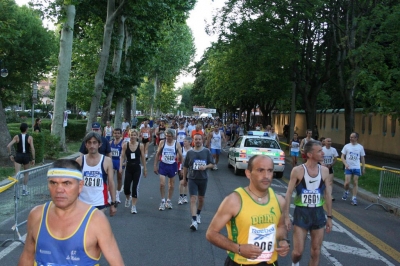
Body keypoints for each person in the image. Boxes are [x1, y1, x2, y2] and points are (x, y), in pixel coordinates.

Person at [17, 159, 124, 265]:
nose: (59, 189)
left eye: (66, 183)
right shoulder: (37, 215)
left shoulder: (96, 220)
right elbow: (27, 256)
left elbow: (117, 263)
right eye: (53, 183)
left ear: (80, 186)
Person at [206, 155, 290, 265]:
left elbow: (281, 226)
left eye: (270, 171)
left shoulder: (279, 201)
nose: (266, 176)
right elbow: (211, 233)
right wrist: (239, 248)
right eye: (260, 170)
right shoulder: (234, 201)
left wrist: (283, 240)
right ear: (248, 173)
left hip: (270, 263)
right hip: (241, 263)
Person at [284, 140, 332, 266]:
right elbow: (288, 193)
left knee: (316, 252)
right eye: (319, 151)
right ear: (310, 154)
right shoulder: (298, 170)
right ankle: (295, 263)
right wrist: (286, 217)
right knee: (297, 253)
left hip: (318, 214)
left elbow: (327, 194)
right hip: (302, 213)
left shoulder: (325, 171)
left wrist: (330, 217)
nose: (323, 153)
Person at [76, 132, 117, 216]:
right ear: (86, 145)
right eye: (89, 143)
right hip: (82, 202)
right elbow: (74, 182)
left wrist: (113, 203)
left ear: (99, 144)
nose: (92, 145)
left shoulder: (107, 161)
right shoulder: (79, 161)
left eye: (94, 142)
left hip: (100, 203)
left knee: (97, 228)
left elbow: (111, 182)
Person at [182, 133, 214, 231]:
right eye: (196, 139)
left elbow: (212, 164)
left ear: (202, 140)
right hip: (192, 178)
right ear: (193, 141)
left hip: (203, 178)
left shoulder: (206, 151)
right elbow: (185, 166)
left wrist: (205, 167)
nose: (198, 141)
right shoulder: (190, 153)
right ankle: (194, 220)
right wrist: (184, 179)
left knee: (201, 199)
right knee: (192, 199)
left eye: (199, 139)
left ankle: (198, 213)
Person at [154, 129, 183, 211]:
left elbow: (181, 157)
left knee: (171, 185)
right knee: (162, 184)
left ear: (173, 136)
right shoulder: (162, 142)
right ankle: (163, 201)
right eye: (166, 136)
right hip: (163, 164)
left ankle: (168, 200)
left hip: (172, 165)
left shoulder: (176, 144)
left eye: (169, 136)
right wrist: (155, 165)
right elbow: (157, 154)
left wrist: (181, 168)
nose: (168, 138)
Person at [119, 129, 147, 214]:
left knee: (135, 187)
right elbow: (122, 156)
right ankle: (128, 198)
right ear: (129, 136)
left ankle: (133, 206)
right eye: (132, 135)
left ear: (137, 136)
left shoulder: (141, 146)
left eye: (135, 135)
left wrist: (145, 168)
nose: (133, 137)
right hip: (128, 167)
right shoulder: (125, 145)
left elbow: (142, 157)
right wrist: (120, 166)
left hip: (137, 168)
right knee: (126, 188)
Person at [7, 123, 35, 196]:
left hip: (18, 155)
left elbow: (8, 146)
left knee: (17, 174)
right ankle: (24, 190)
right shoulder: (30, 137)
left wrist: (10, 155)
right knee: (26, 173)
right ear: (26, 129)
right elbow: (32, 148)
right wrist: (33, 159)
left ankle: (16, 191)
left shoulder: (16, 137)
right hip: (26, 156)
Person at [340, 132, 366, 206]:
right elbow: (342, 156)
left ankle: (354, 198)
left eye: (352, 137)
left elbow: (362, 158)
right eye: (350, 137)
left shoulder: (360, 147)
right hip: (348, 167)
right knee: (347, 183)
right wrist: (345, 164)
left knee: (355, 182)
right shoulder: (347, 146)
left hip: (357, 167)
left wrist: (363, 167)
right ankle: (346, 191)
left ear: (356, 138)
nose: (351, 138)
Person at [110, 128, 124, 203]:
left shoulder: (123, 143)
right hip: (112, 162)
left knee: (119, 178)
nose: (117, 134)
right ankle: (110, 196)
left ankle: (117, 195)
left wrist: (123, 164)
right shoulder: (110, 142)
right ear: (113, 134)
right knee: (110, 179)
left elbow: (124, 154)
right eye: (115, 133)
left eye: (118, 133)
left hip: (119, 162)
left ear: (121, 134)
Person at [178, 137, 192, 205]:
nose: (184, 142)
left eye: (185, 141)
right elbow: (178, 158)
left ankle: (185, 197)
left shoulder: (192, 150)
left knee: (186, 183)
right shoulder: (181, 149)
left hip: (189, 169)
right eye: (184, 141)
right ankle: (180, 196)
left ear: (189, 142)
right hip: (181, 168)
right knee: (181, 182)